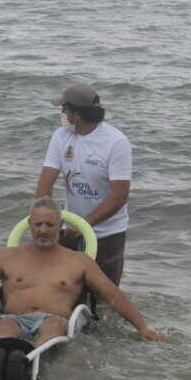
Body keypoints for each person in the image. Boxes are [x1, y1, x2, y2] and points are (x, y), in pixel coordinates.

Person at [0, 197, 165, 354]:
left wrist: (142, 328)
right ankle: (2, 357)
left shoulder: (79, 262)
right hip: (14, 318)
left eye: (49, 225)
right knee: (4, 329)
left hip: (54, 322)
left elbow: (112, 296)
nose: (43, 230)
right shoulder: (8, 256)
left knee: (51, 326)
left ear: (60, 226)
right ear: (29, 224)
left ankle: (31, 359)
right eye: (38, 225)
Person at [35, 83, 132, 288]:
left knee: (104, 294)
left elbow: (119, 196)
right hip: (69, 229)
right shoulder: (61, 136)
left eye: (65, 108)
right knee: (62, 289)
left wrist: (84, 225)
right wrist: (43, 220)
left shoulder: (116, 143)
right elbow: (46, 179)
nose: (61, 112)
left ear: (77, 114)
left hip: (108, 233)